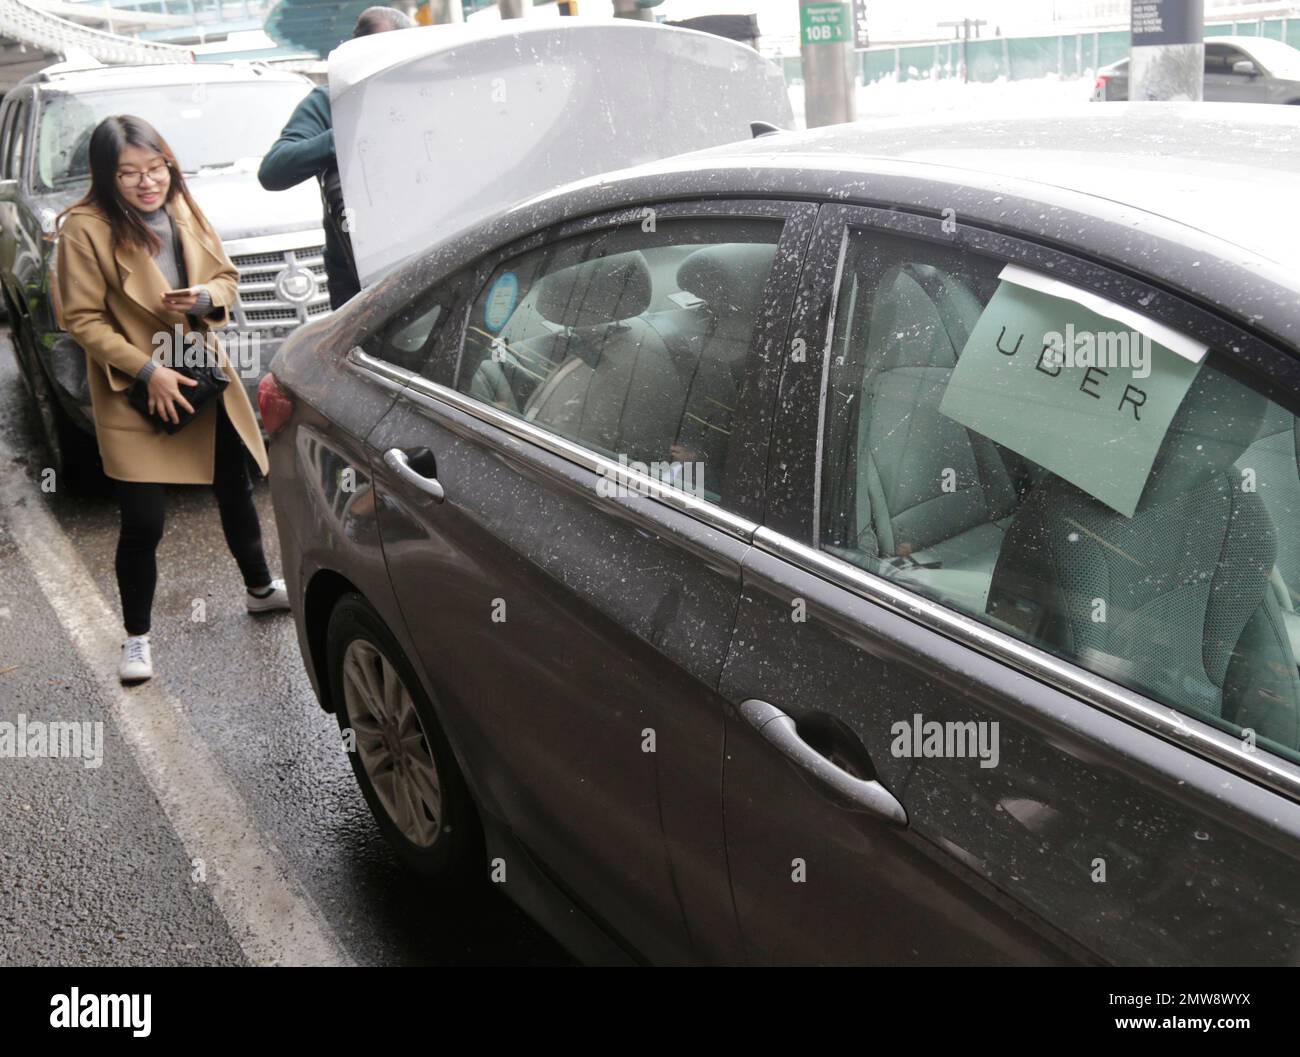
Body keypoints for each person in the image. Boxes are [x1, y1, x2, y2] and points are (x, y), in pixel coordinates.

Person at [55, 115, 291, 685]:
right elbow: (80, 318)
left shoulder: (183, 207)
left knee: (234, 486)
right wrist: (148, 371)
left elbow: (227, 278)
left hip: (200, 371)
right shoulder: (83, 229)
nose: (146, 182)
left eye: (155, 167)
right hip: (133, 385)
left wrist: (206, 296)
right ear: (107, 177)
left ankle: (259, 587)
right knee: (144, 521)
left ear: (168, 164)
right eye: (129, 172)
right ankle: (136, 637)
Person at [258, 6, 414, 310]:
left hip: (430, 257)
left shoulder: (421, 94)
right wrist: (345, 135)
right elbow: (274, 171)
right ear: (354, 52)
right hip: (355, 276)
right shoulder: (329, 102)